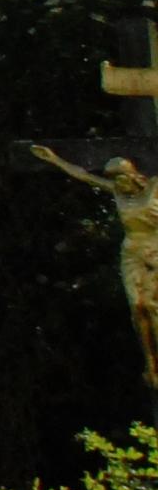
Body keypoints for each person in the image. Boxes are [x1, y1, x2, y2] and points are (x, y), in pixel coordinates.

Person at [30, 146, 158, 390]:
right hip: (132, 251)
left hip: (155, 249)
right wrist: (56, 159)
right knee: (138, 306)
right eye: (115, 181)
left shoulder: (154, 188)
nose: (119, 185)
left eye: (122, 179)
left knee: (154, 306)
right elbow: (85, 176)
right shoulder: (119, 194)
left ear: (134, 177)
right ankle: (150, 362)